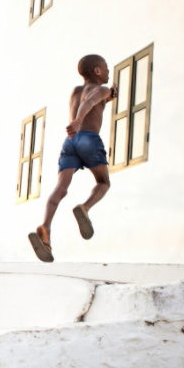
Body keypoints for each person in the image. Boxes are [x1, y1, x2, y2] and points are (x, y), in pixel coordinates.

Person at [28, 54, 117, 262]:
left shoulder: (75, 91)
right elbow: (91, 102)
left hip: (70, 142)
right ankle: (84, 208)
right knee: (103, 182)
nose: (108, 71)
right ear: (97, 71)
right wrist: (78, 120)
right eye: (105, 68)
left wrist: (109, 98)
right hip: (89, 139)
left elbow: (92, 101)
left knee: (61, 188)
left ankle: (45, 228)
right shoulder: (101, 90)